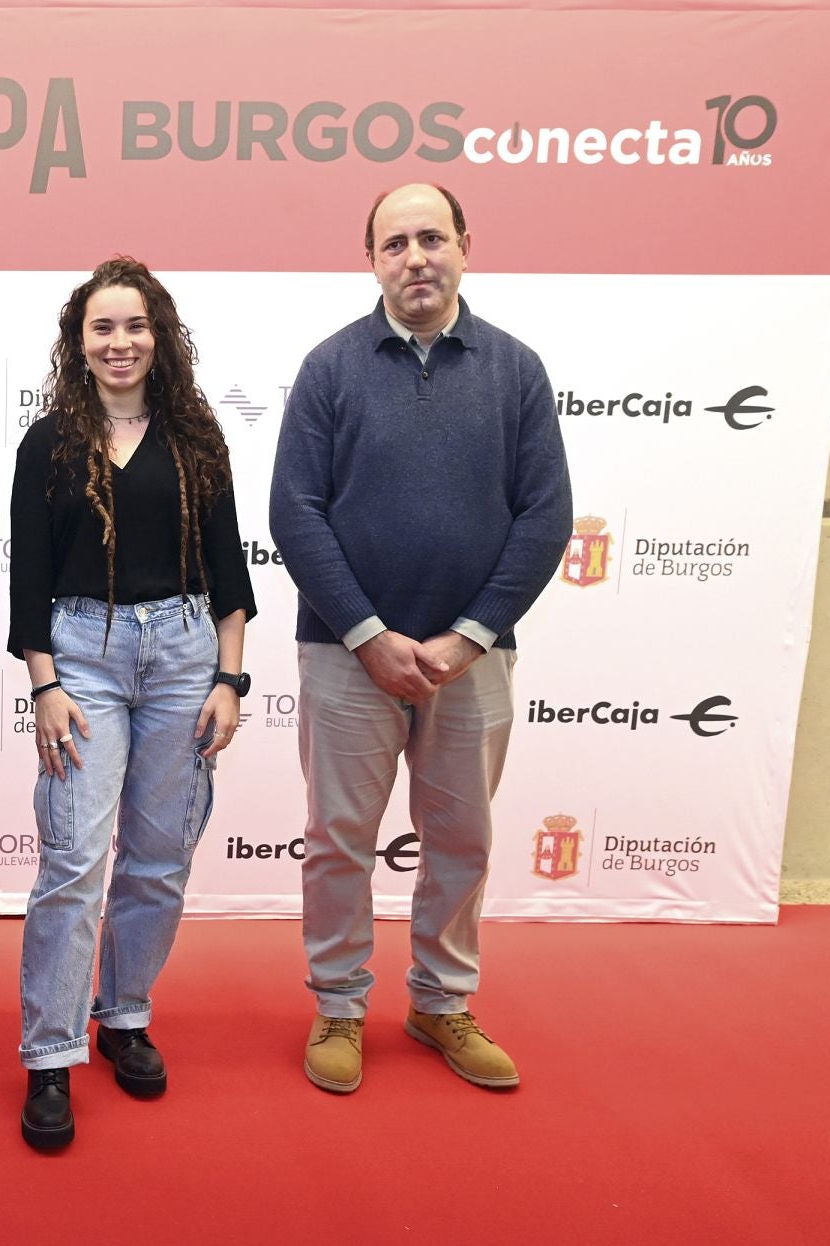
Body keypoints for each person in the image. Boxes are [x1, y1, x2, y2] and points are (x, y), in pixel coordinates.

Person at [270, 183, 571, 1095]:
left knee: (461, 839)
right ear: (372, 261)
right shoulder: (330, 368)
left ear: (465, 248)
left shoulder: (516, 371)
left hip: (470, 660)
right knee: (339, 840)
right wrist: (368, 634)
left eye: (430, 238)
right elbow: (295, 511)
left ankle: (441, 1001)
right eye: (394, 243)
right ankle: (339, 1004)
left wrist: (467, 636)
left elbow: (546, 516)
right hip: (344, 653)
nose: (415, 258)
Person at [8, 257, 254, 1151]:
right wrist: (44, 683)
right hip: (82, 655)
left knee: (157, 857)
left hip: (188, 656)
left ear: (161, 337)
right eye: (102, 328)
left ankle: (123, 1015)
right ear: (79, 344)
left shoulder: (197, 436)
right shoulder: (48, 443)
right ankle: (50, 1053)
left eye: (135, 326)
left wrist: (230, 679)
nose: (120, 343)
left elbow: (230, 570)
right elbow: (28, 579)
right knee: (74, 858)